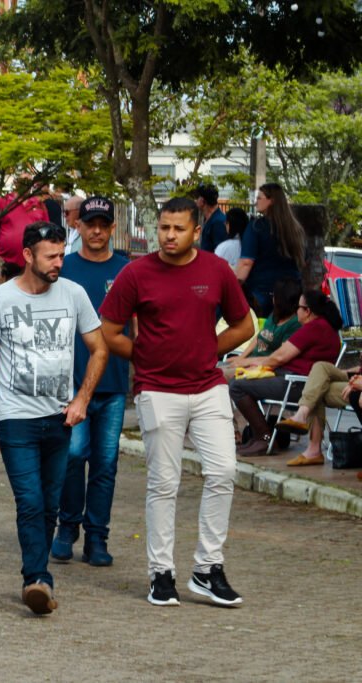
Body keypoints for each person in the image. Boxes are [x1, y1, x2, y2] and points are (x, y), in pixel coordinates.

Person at [100, 196, 254, 608]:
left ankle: (207, 569)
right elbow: (109, 331)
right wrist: (144, 357)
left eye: (178, 229)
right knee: (164, 483)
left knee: (223, 471)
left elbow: (244, 326)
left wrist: (206, 349)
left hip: (207, 387)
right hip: (157, 390)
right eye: (164, 228)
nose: (169, 236)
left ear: (196, 231)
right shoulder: (136, 273)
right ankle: (161, 574)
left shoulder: (216, 270)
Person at [0, 221, 108, 616]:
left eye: (62, 255)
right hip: (14, 418)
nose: (58, 263)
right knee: (30, 501)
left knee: (50, 504)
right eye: (50, 256)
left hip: (60, 417)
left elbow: (99, 349)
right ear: (28, 255)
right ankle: (36, 578)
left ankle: (38, 575)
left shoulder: (74, 294)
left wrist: (82, 399)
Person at [50, 197, 130, 567]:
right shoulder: (63, 267)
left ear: (112, 228)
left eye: (103, 224)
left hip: (113, 384)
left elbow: (138, 323)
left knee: (105, 463)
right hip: (70, 383)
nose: (96, 231)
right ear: (77, 226)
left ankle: (97, 536)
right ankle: (67, 526)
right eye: (89, 224)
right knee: (72, 455)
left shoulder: (126, 270)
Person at [229, 289, 342, 456]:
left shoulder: (314, 328)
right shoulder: (326, 327)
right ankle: (260, 437)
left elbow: (279, 357)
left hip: (296, 384)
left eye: (298, 308)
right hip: (299, 381)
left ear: (307, 311)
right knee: (239, 381)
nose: (296, 311)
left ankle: (264, 438)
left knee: (237, 386)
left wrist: (249, 364)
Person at [236, 183, 305, 317]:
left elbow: (246, 263)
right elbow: (304, 262)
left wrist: (233, 286)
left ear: (271, 200)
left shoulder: (256, 227)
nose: (255, 202)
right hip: (291, 293)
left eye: (259, 198)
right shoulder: (296, 229)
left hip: (261, 292)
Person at [195, 184, 227, 253]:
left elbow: (219, 252)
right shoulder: (209, 218)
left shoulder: (218, 223)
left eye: (197, 197)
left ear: (202, 201)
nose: (196, 200)